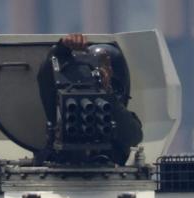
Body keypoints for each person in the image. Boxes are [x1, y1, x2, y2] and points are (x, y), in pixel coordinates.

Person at [36, 33, 143, 165]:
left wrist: (107, 94)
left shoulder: (116, 112)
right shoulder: (61, 107)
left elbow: (133, 136)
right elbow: (45, 76)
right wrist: (61, 49)